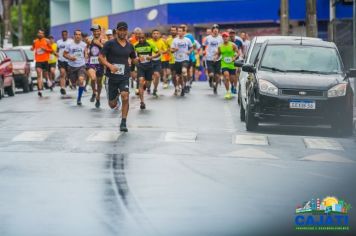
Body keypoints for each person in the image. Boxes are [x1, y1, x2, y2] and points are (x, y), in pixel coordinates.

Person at [99, 21, 137, 132]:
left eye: (124, 30)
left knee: (125, 96)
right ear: (117, 31)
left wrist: (137, 63)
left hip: (124, 76)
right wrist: (110, 66)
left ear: (127, 31)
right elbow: (101, 57)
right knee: (112, 104)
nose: (122, 32)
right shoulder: (110, 44)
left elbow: (134, 59)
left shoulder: (130, 46)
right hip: (111, 77)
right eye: (120, 30)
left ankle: (123, 122)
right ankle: (115, 97)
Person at [134, 33, 160, 109]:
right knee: (141, 81)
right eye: (140, 38)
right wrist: (137, 58)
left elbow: (158, 53)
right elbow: (132, 56)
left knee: (148, 84)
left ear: (145, 38)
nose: (141, 40)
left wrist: (151, 57)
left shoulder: (150, 44)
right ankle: (142, 102)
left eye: (143, 38)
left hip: (149, 66)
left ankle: (147, 86)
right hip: (140, 66)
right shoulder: (135, 45)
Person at [63, 29, 87, 106]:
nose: (78, 36)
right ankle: (70, 81)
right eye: (76, 34)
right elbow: (64, 54)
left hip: (81, 65)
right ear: (74, 36)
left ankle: (79, 98)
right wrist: (70, 57)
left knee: (81, 80)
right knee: (74, 83)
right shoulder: (69, 44)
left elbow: (86, 53)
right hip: (71, 66)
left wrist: (86, 55)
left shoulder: (84, 44)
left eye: (79, 34)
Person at [86, 24, 105, 108]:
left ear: (100, 31)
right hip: (91, 62)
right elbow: (87, 44)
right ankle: (94, 92)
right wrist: (86, 53)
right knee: (93, 78)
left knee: (99, 82)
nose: (96, 32)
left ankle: (98, 97)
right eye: (94, 31)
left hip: (100, 63)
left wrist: (100, 44)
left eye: (97, 31)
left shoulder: (104, 41)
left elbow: (106, 49)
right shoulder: (90, 39)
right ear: (92, 32)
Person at [171, 26, 193, 97]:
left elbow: (191, 47)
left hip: (185, 59)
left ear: (184, 32)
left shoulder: (187, 40)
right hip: (177, 60)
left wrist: (189, 51)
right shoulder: (175, 40)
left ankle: (186, 83)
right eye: (178, 31)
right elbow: (171, 50)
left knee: (184, 71)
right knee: (179, 76)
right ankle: (183, 87)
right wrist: (175, 50)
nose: (179, 32)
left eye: (181, 31)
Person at [216, 32, 239, 99]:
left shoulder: (233, 45)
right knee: (226, 77)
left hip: (232, 64)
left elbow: (238, 53)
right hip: (224, 64)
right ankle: (228, 92)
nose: (225, 38)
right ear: (222, 38)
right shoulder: (220, 46)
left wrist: (234, 57)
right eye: (224, 37)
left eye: (226, 36)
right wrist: (216, 57)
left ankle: (232, 86)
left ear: (228, 37)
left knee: (232, 79)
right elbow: (219, 54)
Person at [31, 29, 53, 97]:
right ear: (37, 34)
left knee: (45, 74)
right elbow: (33, 48)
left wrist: (45, 49)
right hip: (38, 61)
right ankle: (39, 90)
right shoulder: (35, 41)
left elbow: (51, 50)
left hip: (45, 60)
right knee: (39, 74)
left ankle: (48, 80)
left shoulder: (47, 41)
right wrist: (31, 48)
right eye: (39, 33)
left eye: (42, 33)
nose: (40, 34)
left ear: (43, 35)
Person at [147, 29, 168, 97]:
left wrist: (161, 52)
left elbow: (165, 51)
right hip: (149, 60)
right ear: (152, 35)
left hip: (158, 61)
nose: (155, 35)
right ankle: (148, 88)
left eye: (157, 33)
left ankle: (155, 89)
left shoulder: (162, 41)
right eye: (154, 33)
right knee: (149, 78)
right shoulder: (148, 41)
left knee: (157, 75)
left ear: (159, 35)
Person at [203, 24, 223, 94]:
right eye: (214, 30)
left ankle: (215, 87)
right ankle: (210, 80)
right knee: (211, 74)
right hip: (209, 58)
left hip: (218, 59)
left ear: (218, 31)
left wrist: (219, 54)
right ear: (212, 31)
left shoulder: (221, 38)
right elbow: (204, 45)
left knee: (217, 75)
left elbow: (222, 47)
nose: (215, 31)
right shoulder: (208, 38)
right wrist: (204, 52)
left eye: (217, 29)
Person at [56, 30, 73, 95]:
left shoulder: (71, 41)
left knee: (68, 74)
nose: (64, 36)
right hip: (61, 60)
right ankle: (62, 88)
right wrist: (57, 54)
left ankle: (68, 80)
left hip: (68, 60)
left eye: (65, 35)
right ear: (61, 35)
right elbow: (57, 50)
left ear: (67, 35)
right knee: (62, 73)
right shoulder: (58, 42)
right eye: (63, 35)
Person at [228, 29, 243, 94]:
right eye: (230, 34)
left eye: (233, 34)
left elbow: (241, 49)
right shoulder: (227, 42)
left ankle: (235, 86)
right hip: (228, 60)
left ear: (234, 35)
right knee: (230, 75)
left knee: (236, 73)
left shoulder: (239, 41)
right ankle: (232, 85)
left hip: (236, 59)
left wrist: (242, 55)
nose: (231, 35)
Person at [166, 26, 178, 95]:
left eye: (174, 30)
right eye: (172, 30)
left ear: (176, 31)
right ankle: (176, 87)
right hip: (172, 60)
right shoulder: (168, 40)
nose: (173, 31)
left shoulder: (180, 39)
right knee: (173, 75)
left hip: (180, 60)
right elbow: (167, 49)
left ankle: (181, 85)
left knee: (180, 75)